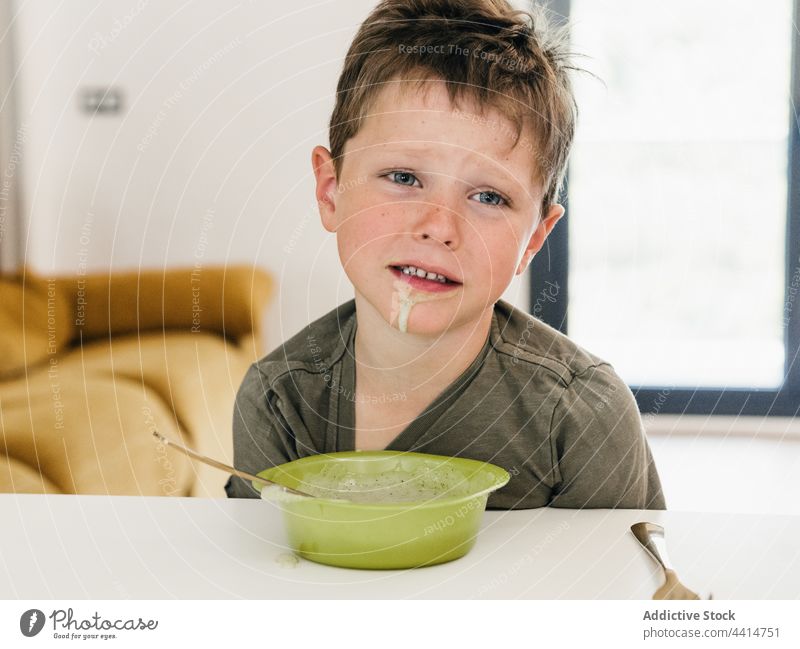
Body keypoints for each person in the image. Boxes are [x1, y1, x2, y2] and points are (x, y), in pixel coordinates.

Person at [225, 0, 665, 509]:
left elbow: (625, 579)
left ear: (535, 240)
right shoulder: (278, 401)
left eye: (488, 197)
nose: (438, 227)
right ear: (331, 192)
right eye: (403, 178)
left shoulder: (582, 413)